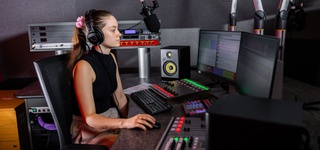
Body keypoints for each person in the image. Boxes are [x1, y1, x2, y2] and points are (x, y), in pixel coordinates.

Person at [67, 9, 156, 148]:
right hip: (91, 131)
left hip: (112, 121)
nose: (119, 34)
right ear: (95, 35)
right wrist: (126, 123)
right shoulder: (83, 67)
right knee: (135, 145)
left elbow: (119, 97)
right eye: (113, 30)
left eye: (117, 29)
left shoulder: (111, 58)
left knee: (148, 136)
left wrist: (134, 121)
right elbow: (90, 118)